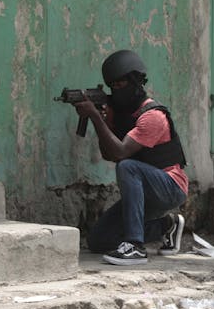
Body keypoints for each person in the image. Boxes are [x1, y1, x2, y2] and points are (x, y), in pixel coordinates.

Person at [74, 49, 188, 266]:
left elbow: (120, 154)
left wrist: (96, 117)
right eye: (113, 86)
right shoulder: (124, 114)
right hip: (147, 191)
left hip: (170, 187)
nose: (116, 91)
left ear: (135, 82)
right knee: (98, 240)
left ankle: (135, 246)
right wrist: (104, 122)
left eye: (121, 85)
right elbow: (109, 154)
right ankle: (167, 226)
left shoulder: (153, 116)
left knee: (128, 167)